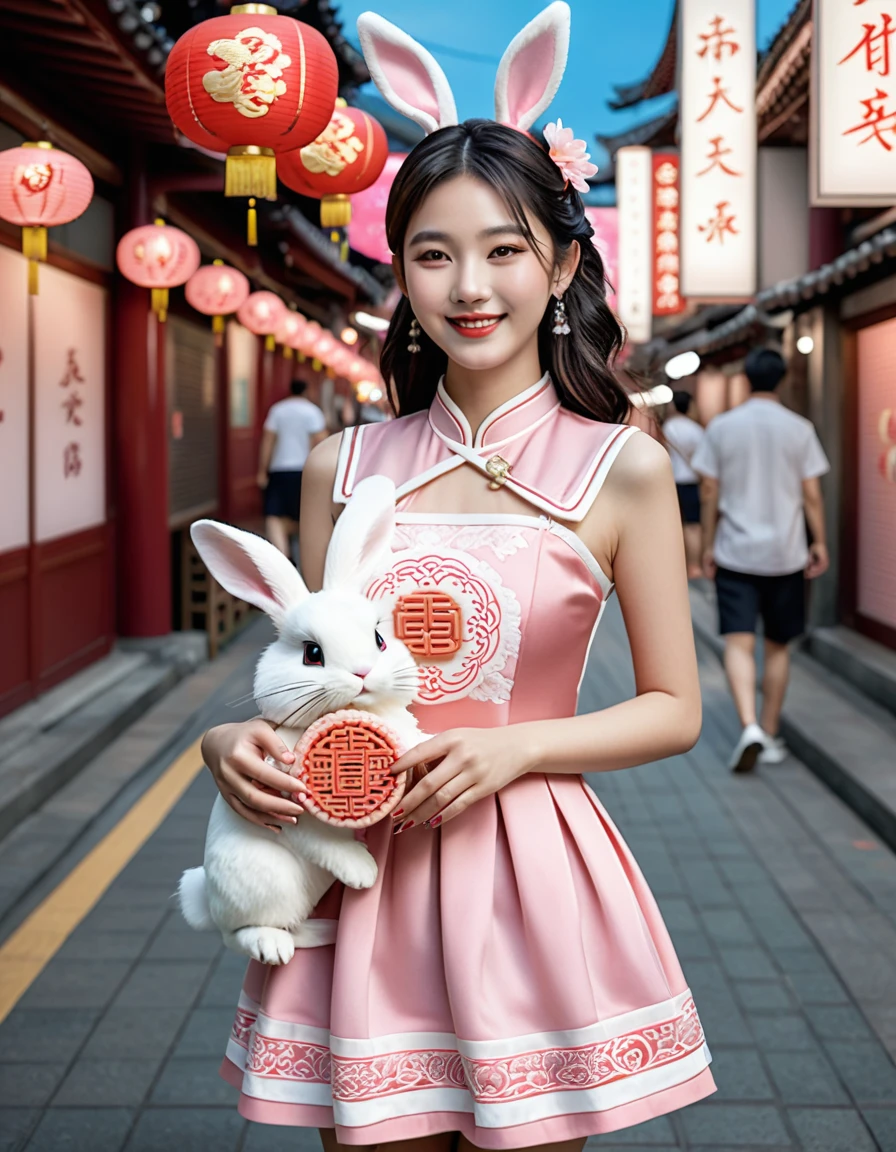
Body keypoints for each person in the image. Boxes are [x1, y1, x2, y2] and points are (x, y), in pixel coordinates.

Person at [200, 6, 715, 1148]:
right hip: (357, 874)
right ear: (399, 270)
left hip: (529, 874)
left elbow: (674, 710)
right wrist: (225, 747)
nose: (468, 285)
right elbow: (296, 671)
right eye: (432, 252)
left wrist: (517, 745)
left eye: (503, 249)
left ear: (563, 264)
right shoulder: (346, 461)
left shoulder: (621, 468)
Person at [692, 347, 830, 773]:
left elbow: (710, 492)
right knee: (777, 646)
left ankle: (747, 725)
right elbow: (810, 494)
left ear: (747, 379)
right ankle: (768, 733)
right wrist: (819, 541)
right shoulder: (800, 428)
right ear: (783, 379)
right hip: (785, 554)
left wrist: (708, 545)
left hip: (735, 551)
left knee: (737, 641)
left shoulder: (722, 427)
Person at [257, 377, 328, 557]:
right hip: (305, 470)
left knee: (274, 516)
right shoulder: (312, 411)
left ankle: (282, 558)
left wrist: (262, 470)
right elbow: (320, 442)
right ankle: (304, 560)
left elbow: (268, 441)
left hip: (279, 469)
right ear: (307, 391)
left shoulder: (277, 410)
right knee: (304, 516)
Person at [662, 390, 704, 579]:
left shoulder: (668, 427)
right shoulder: (696, 429)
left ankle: (676, 565)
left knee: (674, 525)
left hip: (671, 481)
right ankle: (694, 565)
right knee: (694, 525)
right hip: (691, 482)